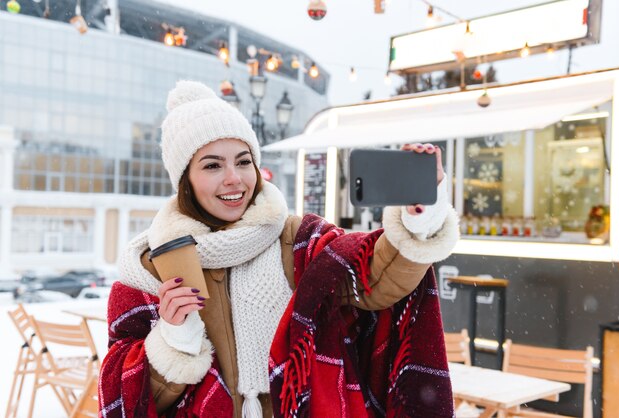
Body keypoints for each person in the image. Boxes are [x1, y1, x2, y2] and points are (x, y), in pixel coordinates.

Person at [99, 80, 460, 418]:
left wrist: (420, 217)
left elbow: (376, 278)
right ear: (185, 182)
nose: (234, 178)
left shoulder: (298, 239)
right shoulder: (151, 269)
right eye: (212, 165)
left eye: (243, 161)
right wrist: (174, 338)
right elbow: (132, 401)